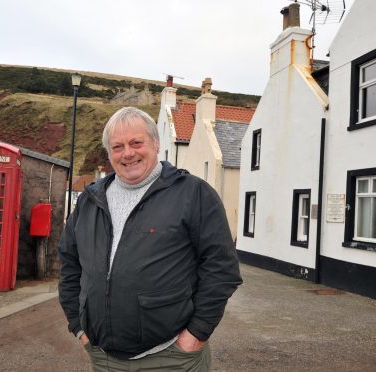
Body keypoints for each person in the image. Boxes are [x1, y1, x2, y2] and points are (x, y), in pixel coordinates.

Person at [58, 106, 242, 371]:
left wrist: (196, 336)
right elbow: (69, 263)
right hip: (104, 358)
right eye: (118, 146)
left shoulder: (193, 194)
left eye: (136, 143)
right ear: (109, 153)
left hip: (170, 357)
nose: (128, 153)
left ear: (156, 144)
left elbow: (222, 270)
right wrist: (78, 327)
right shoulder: (89, 200)